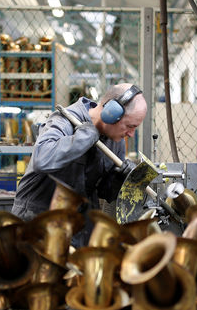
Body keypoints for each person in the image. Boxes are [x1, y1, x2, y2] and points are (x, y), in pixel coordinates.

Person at [11, 83, 147, 243]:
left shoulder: (115, 140)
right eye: (130, 126)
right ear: (112, 113)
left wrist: (121, 180)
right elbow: (42, 158)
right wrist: (83, 138)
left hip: (74, 228)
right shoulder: (65, 120)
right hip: (36, 221)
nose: (131, 134)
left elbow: (104, 190)